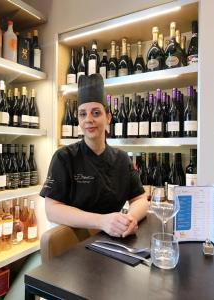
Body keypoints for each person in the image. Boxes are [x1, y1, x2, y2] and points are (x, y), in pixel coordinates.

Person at [40, 74, 149, 238]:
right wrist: (102, 221)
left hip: (111, 241)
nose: (88, 119)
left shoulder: (122, 159)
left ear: (108, 118)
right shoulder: (64, 157)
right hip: (71, 244)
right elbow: (52, 210)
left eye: (96, 113)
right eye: (83, 114)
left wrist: (130, 219)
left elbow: (140, 199)